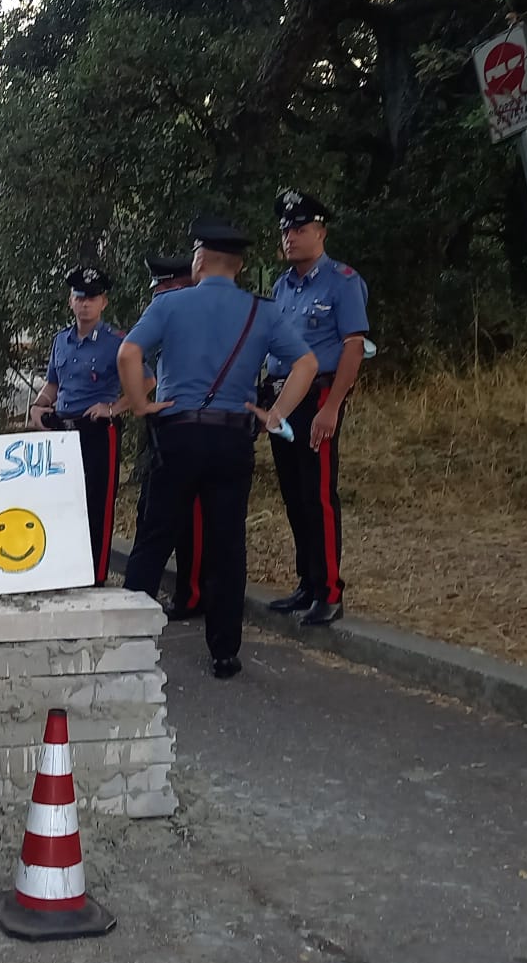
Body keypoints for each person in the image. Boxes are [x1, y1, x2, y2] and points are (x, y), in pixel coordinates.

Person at [117, 217, 318, 680]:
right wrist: (275, 415)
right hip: (232, 437)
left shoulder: (170, 304)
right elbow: (306, 362)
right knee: (227, 546)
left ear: (200, 259)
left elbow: (129, 353)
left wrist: (141, 404)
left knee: (154, 538)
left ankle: (127, 643)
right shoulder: (262, 312)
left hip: (178, 433)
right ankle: (224, 652)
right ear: (241, 266)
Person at [265, 189, 369, 626]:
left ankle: (329, 590)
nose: (291, 237)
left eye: (301, 229)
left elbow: (353, 347)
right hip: (281, 397)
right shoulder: (281, 285)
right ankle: (307, 583)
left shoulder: (342, 281)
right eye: (286, 229)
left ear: (321, 233)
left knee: (318, 495)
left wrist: (333, 407)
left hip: (318, 397)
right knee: (293, 495)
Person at [25, 267, 125, 586]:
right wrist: (40, 406)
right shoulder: (61, 341)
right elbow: (53, 384)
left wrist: (113, 407)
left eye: (92, 298)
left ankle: (95, 576)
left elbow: (145, 382)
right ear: (70, 301)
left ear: (103, 303)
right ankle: (65, 571)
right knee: (64, 501)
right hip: (63, 432)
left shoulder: (117, 343)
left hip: (98, 430)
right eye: (79, 297)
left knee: (98, 503)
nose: (85, 304)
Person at [141, 253, 204, 620]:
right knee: (158, 511)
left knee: (191, 516)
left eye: (164, 288)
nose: (157, 297)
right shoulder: (171, 316)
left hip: (190, 423)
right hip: (167, 421)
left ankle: (193, 594)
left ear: (181, 285)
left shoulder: (194, 319)